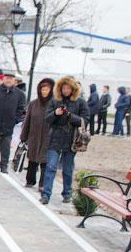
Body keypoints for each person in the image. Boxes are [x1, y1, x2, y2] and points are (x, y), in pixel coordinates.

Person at [41, 76, 87, 205]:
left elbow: (85, 121)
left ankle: (67, 193)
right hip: (55, 139)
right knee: (51, 167)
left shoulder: (80, 102)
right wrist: (55, 113)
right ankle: (46, 195)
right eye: (63, 88)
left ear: (73, 89)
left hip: (71, 140)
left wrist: (70, 116)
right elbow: (47, 119)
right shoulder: (55, 101)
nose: (65, 90)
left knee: (67, 169)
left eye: (68, 88)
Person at [19, 78, 55, 190]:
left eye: (47, 89)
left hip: (48, 137)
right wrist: (23, 136)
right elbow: (27, 121)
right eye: (42, 89)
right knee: (32, 159)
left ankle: (42, 184)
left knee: (45, 162)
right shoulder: (33, 104)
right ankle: (30, 181)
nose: (44, 91)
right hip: (34, 136)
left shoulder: (54, 104)